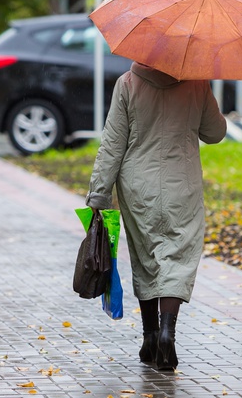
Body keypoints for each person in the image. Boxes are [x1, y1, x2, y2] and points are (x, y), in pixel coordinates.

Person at [86, 61, 228, 371]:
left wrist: (99, 193)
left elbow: (113, 143)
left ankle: (150, 337)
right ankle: (168, 333)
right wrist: (204, 97)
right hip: (183, 184)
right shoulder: (197, 83)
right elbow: (215, 133)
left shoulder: (127, 83)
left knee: (147, 257)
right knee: (177, 256)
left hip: (138, 187)